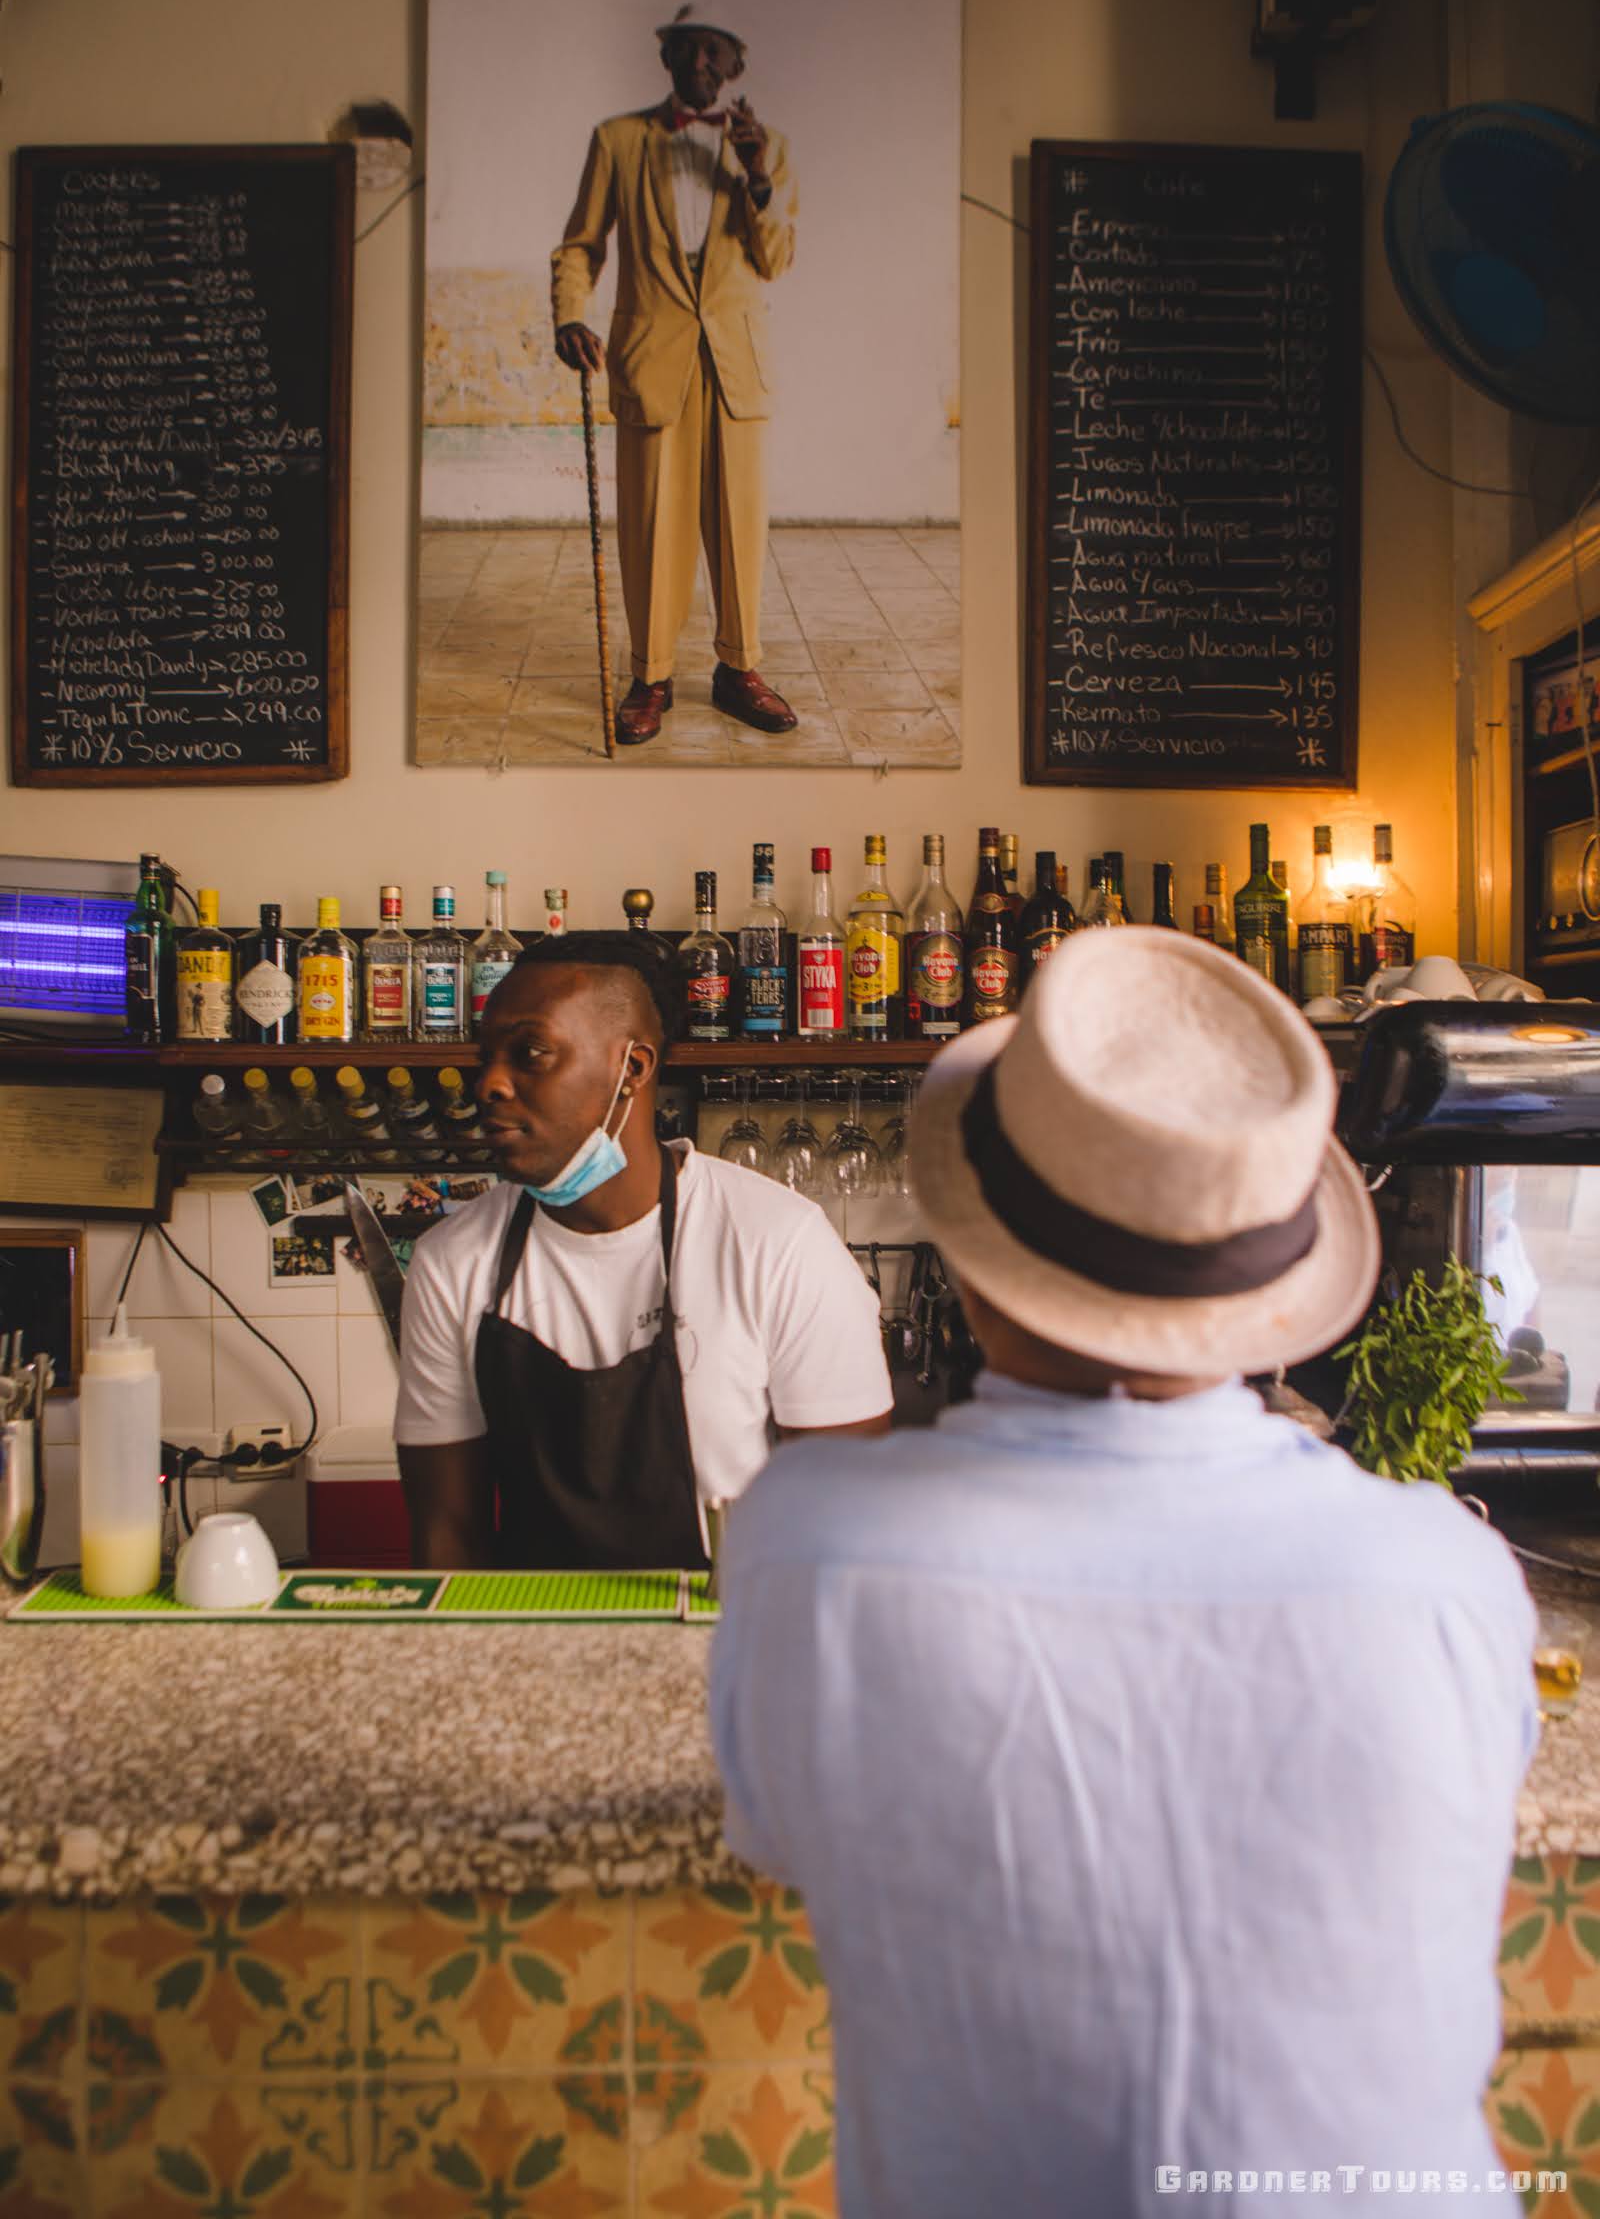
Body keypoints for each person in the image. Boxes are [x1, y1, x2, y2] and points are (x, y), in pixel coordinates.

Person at [711, 928, 1538, 2217]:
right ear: (1262, 1298)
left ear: (971, 1269)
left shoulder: (808, 1547)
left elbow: (777, 1844)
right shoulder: (1448, 1573)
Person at [394, 932, 890, 1567]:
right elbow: (448, 1537)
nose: (489, 1083)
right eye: (485, 1055)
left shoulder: (777, 1242)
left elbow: (842, 1529)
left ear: (632, 1068)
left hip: (732, 1639)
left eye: (531, 1053)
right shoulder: (453, 1263)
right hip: (532, 1636)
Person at [551, 2, 800, 747]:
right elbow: (581, 243)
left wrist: (755, 178)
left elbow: (775, 259)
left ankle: (739, 669)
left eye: (714, 52)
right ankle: (650, 675)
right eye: (687, 51)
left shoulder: (770, 148)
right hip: (651, 362)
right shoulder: (618, 140)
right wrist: (570, 312)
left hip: (736, 367)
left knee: (739, 529)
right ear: (665, 60)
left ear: (736, 66)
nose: (700, 64)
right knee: (654, 528)